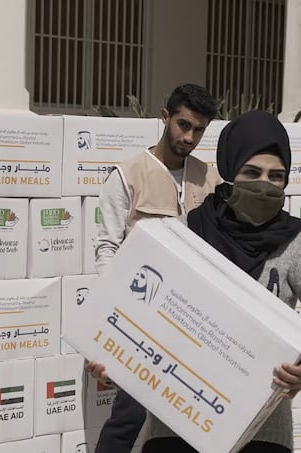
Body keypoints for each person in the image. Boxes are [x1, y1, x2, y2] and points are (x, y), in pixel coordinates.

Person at [89, 110, 301, 452]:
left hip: (261, 434)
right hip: (177, 426)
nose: (265, 184)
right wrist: (117, 360)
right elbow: (142, 312)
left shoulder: (299, 244)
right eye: (252, 172)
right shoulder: (186, 233)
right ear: (229, 171)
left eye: (276, 176)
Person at [91, 83, 219, 453]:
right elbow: (106, 246)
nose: (189, 136)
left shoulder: (209, 177)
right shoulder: (127, 174)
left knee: (191, 417)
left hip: (194, 317)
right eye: (183, 125)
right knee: (129, 415)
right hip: (141, 315)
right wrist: (120, 307)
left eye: (199, 130)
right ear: (165, 117)